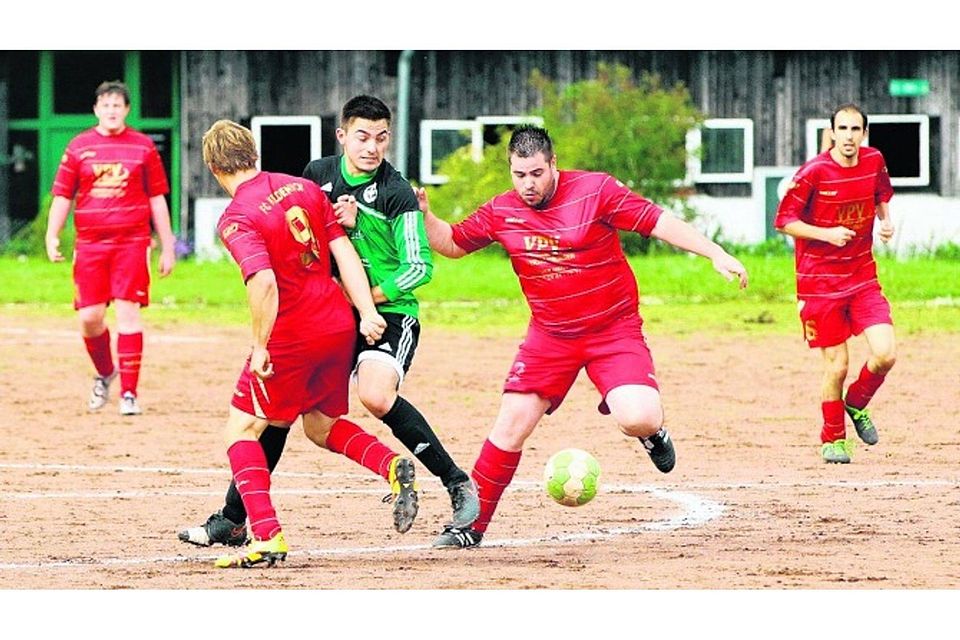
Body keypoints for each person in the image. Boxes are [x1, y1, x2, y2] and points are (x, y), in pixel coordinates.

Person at [417, 125, 749, 548]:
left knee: (638, 416)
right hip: (550, 335)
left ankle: (653, 434)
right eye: (519, 175)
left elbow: (659, 221)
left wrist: (715, 253)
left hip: (613, 328)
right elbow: (451, 243)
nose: (528, 184)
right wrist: (425, 215)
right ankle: (470, 526)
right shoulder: (503, 211)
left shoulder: (596, 191)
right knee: (510, 426)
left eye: (537, 173)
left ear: (554, 164)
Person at [178, 96, 479, 550]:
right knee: (300, 423)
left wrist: (370, 307)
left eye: (381, 138)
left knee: (357, 399)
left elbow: (419, 268)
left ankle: (454, 481)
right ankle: (233, 518)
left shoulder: (397, 193)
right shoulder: (312, 179)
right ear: (342, 136)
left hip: (372, 312)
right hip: (338, 317)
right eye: (362, 136)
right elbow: (326, 243)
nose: (372, 147)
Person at [201, 119, 398, 568]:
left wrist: (260, 344)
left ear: (215, 167)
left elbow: (264, 283)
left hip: (294, 332)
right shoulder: (301, 187)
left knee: (242, 429)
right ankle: (391, 467)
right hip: (336, 323)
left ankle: (266, 535)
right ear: (254, 152)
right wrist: (365, 311)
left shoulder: (236, 217)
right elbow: (343, 250)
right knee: (320, 427)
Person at [45, 80, 176, 416]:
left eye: (118, 105)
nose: (112, 110)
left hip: (131, 243)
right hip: (90, 245)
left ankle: (129, 394)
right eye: (105, 105)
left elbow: (156, 198)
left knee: (128, 311)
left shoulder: (143, 147)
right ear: (96, 109)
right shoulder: (78, 147)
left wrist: (167, 244)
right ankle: (106, 373)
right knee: (90, 318)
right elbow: (63, 195)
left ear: (127, 110)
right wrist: (52, 234)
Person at [775, 103, 896, 464]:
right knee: (837, 366)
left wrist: (886, 221)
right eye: (842, 129)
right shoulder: (813, 172)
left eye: (855, 129)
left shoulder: (874, 161)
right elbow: (784, 222)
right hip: (819, 283)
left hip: (862, 276)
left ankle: (856, 402)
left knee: (886, 353)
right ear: (831, 133)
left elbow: (881, 194)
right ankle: (833, 439)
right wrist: (826, 234)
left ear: (864, 134)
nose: (848, 136)